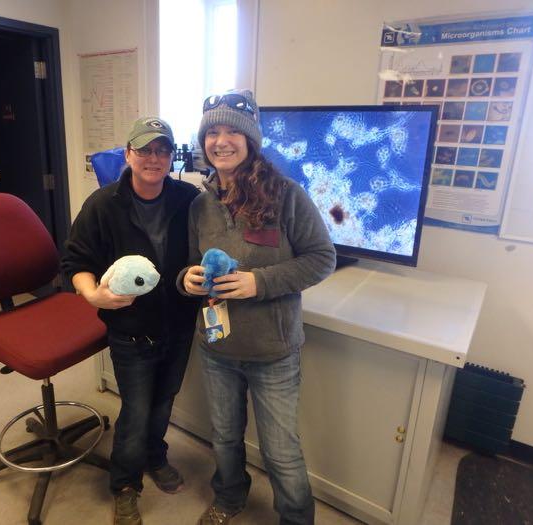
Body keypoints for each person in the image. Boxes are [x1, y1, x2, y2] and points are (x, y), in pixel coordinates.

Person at [178, 90, 336, 525]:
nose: (221, 140)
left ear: (250, 140)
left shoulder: (286, 195)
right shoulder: (199, 204)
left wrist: (257, 283)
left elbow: (322, 258)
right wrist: (187, 278)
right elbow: (190, 262)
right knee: (225, 439)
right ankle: (229, 499)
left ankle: (296, 519)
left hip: (273, 351)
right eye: (212, 131)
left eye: (232, 131)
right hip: (217, 345)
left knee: (281, 452)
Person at [63, 116, 201, 525]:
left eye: (162, 150)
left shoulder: (187, 199)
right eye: (144, 150)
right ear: (128, 155)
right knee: (137, 412)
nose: (153, 158)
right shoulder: (103, 204)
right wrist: (93, 295)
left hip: (178, 324)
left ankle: (155, 458)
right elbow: (76, 260)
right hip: (131, 330)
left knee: (163, 403)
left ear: (171, 156)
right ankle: (124, 484)